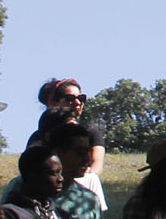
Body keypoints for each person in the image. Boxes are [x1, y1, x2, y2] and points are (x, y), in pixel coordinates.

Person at [28, 77, 109, 208]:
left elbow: (96, 163)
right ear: (52, 102)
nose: (77, 103)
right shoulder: (38, 137)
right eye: (70, 98)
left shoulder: (91, 133)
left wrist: (83, 178)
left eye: (81, 98)